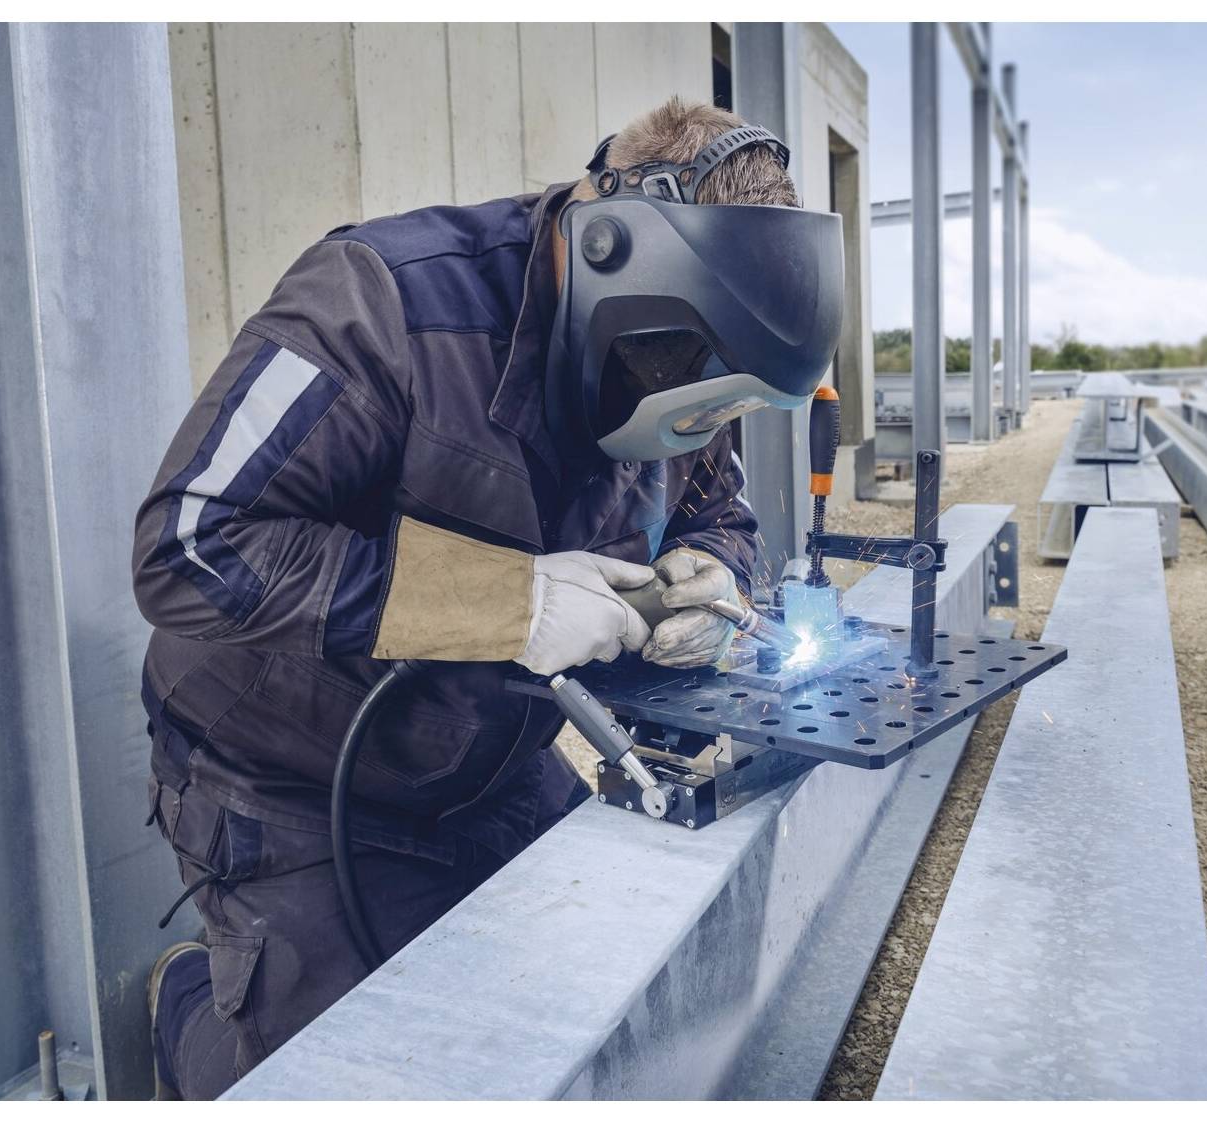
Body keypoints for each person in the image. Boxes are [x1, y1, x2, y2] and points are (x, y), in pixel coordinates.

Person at [132, 95, 843, 1098]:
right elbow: (190, 542)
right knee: (341, 1088)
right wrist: (502, 604)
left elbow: (715, 508)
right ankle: (193, 1011)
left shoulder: (685, 338)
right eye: (702, 382)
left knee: (606, 1008)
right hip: (284, 777)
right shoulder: (382, 300)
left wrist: (714, 571)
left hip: (490, 761)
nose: (711, 417)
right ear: (614, 259)